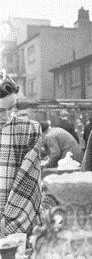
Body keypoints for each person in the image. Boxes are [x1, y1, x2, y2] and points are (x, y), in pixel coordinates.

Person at [0, 71, 42, 237]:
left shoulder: (28, 131)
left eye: (11, 109)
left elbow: (27, 184)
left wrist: (6, 226)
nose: (6, 116)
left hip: (16, 221)